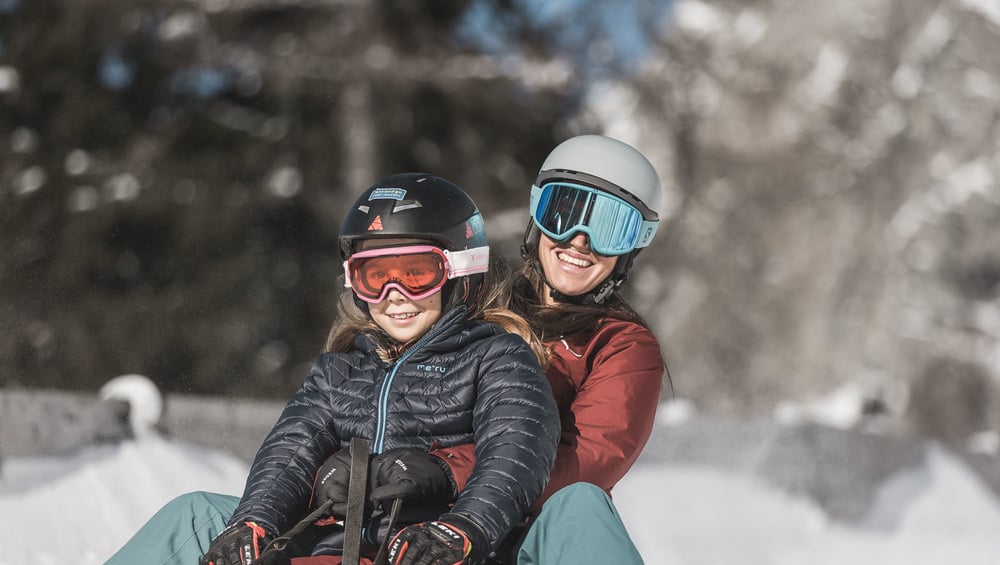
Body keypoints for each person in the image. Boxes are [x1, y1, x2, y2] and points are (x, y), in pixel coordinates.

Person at [104, 173, 560, 565]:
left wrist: (463, 527)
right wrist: (254, 523)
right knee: (193, 516)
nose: (394, 294)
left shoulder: (497, 359)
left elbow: (515, 453)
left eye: (416, 272)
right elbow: (291, 451)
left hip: (423, 552)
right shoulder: (339, 371)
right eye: (374, 276)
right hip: (330, 550)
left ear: (460, 271)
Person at [429, 134, 667, 564]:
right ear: (537, 218)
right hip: (428, 529)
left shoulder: (621, 346)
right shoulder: (474, 311)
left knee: (581, 506)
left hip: (526, 538)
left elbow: (588, 460)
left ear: (631, 249)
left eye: (608, 228)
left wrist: (446, 472)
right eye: (565, 214)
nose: (578, 241)